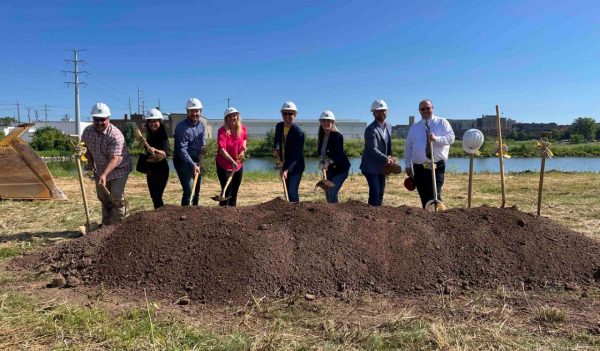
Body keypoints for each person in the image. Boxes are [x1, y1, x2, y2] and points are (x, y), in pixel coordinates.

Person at [82, 102, 132, 225]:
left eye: (102, 120)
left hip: (119, 169)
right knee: (103, 197)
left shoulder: (115, 135)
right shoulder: (88, 131)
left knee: (116, 196)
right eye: (96, 119)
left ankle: (118, 225)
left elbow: (115, 158)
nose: (99, 123)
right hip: (100, 168)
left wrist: (104, 175)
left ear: (108, 119)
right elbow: (85, 148)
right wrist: (90, 162)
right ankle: (106, 225)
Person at [404, 99, 455, 208]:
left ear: (432, 108)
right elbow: (408, 147)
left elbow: (451, 138)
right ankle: (427, 217)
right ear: (419, 111)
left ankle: (438, 216)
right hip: (419, 167)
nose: (425, 111)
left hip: (436, 165)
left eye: (428, 108)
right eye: (423, 109)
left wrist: (436, 139)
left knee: (435, 193)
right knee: (423, 194)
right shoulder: (415, 127)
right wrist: (407, 165)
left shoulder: (442, 122)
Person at [360, 99, 395, 206]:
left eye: (383, 110)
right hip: (370, 167)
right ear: (373, 113)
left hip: (381, 167)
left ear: (387, 111)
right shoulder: (370, 129)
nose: (381, 113)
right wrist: (386, 158)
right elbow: (372, 149)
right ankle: (371, 215)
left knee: (381, 192)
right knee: (375, 192)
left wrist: (391, 156)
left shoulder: (389, 126)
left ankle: (378, 216)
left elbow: (388, 144)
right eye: (378, 111)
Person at [174, 97, 206, 206]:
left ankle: (195, 215)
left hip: (196, 159)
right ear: (187, 112)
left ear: (200, 112)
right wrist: (193, 165)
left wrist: (203, 147)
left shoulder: (201, 125)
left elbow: (202, 142)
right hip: (182, 160)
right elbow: (181, 150)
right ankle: (184, 215)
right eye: (192, 111)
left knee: (196, 190)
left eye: (197, 111)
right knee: (189, 189)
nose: (194, 113)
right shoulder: (182, 127)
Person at [273, 101, 305, 202]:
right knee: (286, 189)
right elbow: (277, 141)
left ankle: (296, 212)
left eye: (290, 113)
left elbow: (296, 154)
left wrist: (287, 170)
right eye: (285, 113)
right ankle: (289, 212)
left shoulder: (299, 132)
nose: (287, 116)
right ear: (282, 114)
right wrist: (276, 149)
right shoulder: (279, 126)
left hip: (296, 166)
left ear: (295, 115)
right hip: (283, 163)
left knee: (292, 191)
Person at [215, 107, 248, 206]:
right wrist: (232, 161)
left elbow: (245, 138)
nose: (232, 118)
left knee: (234, 191)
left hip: (238, 164)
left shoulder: (242, 128)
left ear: (238, 116)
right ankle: (223, 213)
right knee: (227, 191)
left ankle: (233, 214)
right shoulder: (222, 131)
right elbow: (221, 149)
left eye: (234, 115)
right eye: (229, 116)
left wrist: (243, 149)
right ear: (226, 118)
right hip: (224, 164)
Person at [316, 110, 350, 203]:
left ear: (333, 122)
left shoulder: (338, 136)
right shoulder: (321, 136)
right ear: (320, 122)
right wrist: (322, 164)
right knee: (327, 192)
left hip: (340, 169)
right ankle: (330, 213)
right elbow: (321, 154)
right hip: (329, 170)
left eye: (329, 121)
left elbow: (339, 155)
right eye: (323, 121)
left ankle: (336, 214)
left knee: (332, 191)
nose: (326, 123)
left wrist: (328, 162)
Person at [143, 108, 170, 209]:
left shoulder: (163, 136)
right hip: (150, 169)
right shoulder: (149, 135)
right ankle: (157, 215)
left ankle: (161, 216)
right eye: (150, 121)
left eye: (155, 121)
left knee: (157, 195)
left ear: (160, 121)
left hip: (161, 169)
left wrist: (155, 150)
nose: (152, 123)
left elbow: (165, 153)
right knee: (153, 196)